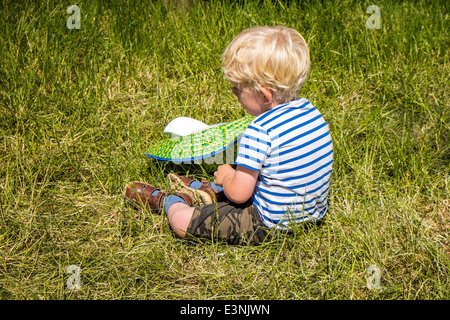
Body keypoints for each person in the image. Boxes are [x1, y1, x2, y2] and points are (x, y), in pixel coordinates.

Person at [125, 26, 333, 245]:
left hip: (270, 224)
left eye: (237, 88)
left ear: (264, 95)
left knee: (182, 222)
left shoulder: (259, 130)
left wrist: (226, 178)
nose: (233, 93)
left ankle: (171, 201)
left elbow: (240, 195)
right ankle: (205, 192)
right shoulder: (313, 114)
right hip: (311, 216)